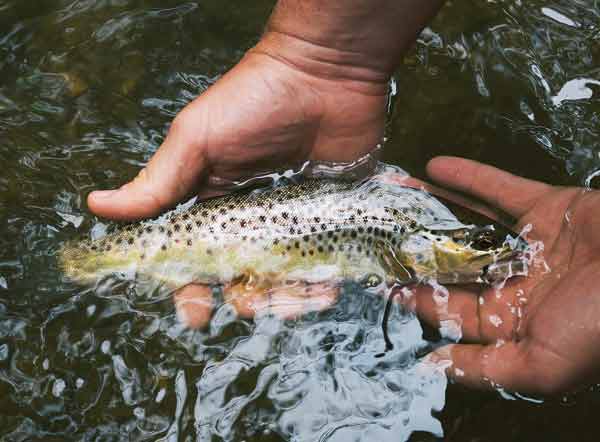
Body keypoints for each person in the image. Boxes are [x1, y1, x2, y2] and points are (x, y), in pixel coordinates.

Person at [86, 1, 600, 395]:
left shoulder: (407, 237)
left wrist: (318, 57)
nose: (498, 254)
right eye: (482, 246)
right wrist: (315, 59)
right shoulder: (410, 236)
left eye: (485, 248)